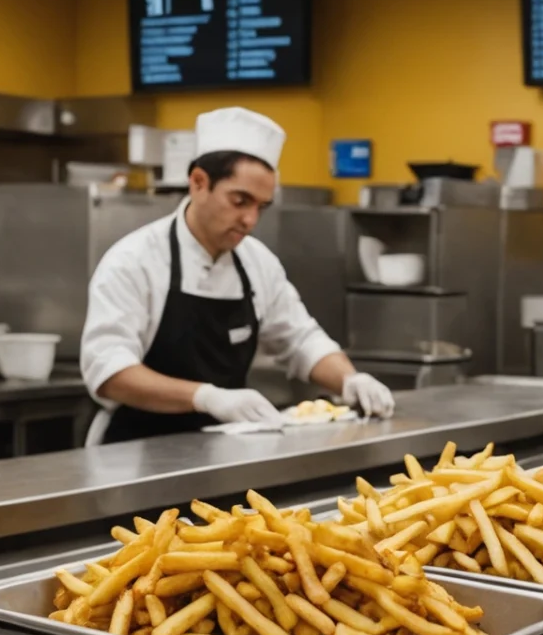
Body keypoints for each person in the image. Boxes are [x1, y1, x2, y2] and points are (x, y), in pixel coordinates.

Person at [80, 107, 393, 444]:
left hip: (224, 449)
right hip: (135, 451)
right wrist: (208, 397)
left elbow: (302, 341)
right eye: (240, 201)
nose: (250, 220)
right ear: (199, 183)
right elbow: (109, 372)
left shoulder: (258, 263)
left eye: (260, 206)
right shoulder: (134, 261)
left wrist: (350, 379)